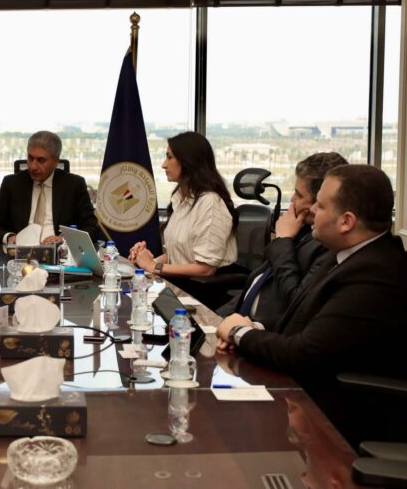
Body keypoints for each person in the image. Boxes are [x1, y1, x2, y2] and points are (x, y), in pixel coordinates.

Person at [216, 165, 407, 444]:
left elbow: (303, 354)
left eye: (321, 205)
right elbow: (303, 319)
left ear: (346, 221)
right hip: (307, 398)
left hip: (346, 419)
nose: (312, 210)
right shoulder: (344, 256)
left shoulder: (375, 274)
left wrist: (238, 333)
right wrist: (253, 326)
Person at [217, 152, 348, 329]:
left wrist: (283, 240)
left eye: (298, 195)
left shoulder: (328, 245)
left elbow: (297, 302)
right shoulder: (300, 230)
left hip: (265, 333)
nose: (292, 200)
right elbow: (257, 284)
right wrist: (217, 318)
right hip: (240, 324)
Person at [129, 131, 238, 277]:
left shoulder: (210, 203)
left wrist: (153, 266)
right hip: (181, 285)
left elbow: (205, 269)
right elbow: (179, 256)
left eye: (169, 157)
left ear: (188, 161)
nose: (163, 165)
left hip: (201, 290)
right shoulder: (181, 199)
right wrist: (144, 262)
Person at [0, 131, 99, 246]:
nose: (33, 166)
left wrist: (64, 239)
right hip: (20, 252)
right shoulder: (12, 184)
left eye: (41, 160)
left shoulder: (74, 185)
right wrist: (10, 237)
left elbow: (92, 228)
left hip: (58, 253)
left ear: (56, 161)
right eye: (30, 158)